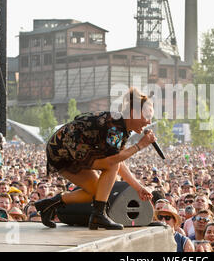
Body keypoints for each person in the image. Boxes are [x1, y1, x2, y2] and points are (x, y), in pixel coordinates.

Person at [35, 87, 155, 230]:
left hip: (70, 151)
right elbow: (112, 162)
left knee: (97, 192)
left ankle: (50, 204)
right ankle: (98, 215)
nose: (149, 122)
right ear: (133, 113)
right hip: (63, 152)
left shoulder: (122, 127)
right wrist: (140, 145)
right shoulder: (114, 126)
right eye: (147, 116)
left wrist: (138, 188)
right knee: (109, 171)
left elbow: (118, 161)